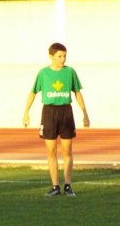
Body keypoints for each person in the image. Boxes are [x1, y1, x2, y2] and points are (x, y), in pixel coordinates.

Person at [22, 42, 90, 197]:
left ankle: (67, 186)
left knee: (67, 150)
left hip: (66, 112)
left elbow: (77, 93)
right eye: (60, 56)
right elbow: (33, 92)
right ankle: (55, 187)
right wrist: (26, 112)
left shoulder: (70, 72)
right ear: (51, 56)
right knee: (51, 151)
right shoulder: (43, 73)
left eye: (65, 56)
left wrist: (85, 113)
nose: (63, 59)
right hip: (49, 112)